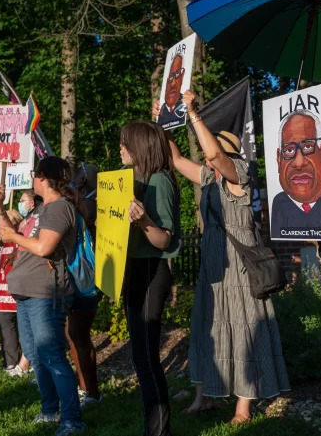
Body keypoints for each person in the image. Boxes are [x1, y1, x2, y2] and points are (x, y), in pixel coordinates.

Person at [157, 91, 290, 424]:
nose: (205, 151)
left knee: (243, 331)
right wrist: (166, 123)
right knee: (208, 330)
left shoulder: (239, 173)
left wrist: (193, 113)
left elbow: (215, 157)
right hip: (214, 268)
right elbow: (174, 159)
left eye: (210, 146)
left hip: (240, 272)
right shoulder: (209, 178)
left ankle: (243, 408)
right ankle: (206, 397)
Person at [0, 157, 85, 436]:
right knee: (35, 355)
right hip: (26, 293)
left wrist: (12, 234)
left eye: (35, 175)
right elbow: (11, 236)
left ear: (43, 177)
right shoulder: (40, 210)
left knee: (52, 354)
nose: (32, 179)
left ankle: (72, 420)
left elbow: (44, 247)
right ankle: (50, 411)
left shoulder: (59, 208)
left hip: (46, 293)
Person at [119, 120, 181, 436]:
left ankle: (159, 431)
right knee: (140, 354)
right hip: (133, 270)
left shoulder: (159, 181)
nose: (121, 148)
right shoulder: (134, 179)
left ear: (139, 146)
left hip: (151, 271)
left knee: (145, 355)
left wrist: (142, 220)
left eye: (124, 142)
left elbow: (163, 240)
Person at [271, 109, 321, 240]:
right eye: (289, 150)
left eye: (308, 147)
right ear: (279, 159)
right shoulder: (279, 204)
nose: (299, 163)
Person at [66, 162, 103, 407]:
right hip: (79, 277)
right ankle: (85, 388)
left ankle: (92, 391)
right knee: (74, 335)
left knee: (79, 335)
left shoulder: (90, 204)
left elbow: (86, 217)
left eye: (78, 176)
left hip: (86, 279)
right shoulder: (82, 201)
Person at [0, 207, 30, 376]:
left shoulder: (22, 236)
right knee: (5, 325)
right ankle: (10, 363)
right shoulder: (2, 238)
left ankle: (26, 362)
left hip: (18, 288)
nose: (0, 226)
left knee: (23, 327)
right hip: (3, 290)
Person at [157, 54, 187, 129]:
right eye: (170, 77)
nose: (173, 84)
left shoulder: (186, 104)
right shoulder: (161, 109)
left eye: (177, 74)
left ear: (182, 76)